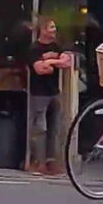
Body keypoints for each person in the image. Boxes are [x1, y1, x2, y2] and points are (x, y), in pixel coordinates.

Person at [26, 15, 73, 175]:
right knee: (40, 128)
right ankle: (39, 162)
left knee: (55, 128)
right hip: (39, 93)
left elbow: (66, 62)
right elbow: (40, 69)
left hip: (54, 92)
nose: (54, 30)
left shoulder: (56, 46)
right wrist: (51, 64)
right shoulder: (34, 48)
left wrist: (50, 62)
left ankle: (51, 161)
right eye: (51, 27)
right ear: (43, 29)